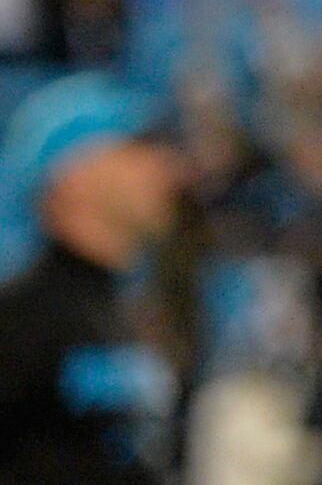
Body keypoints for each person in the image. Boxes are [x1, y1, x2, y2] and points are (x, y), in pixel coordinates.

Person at [0, 74, 185, 485]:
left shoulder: (124, 310)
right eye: (136, 149)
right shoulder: (19, 318)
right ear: (74, 176)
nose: (166, 167)